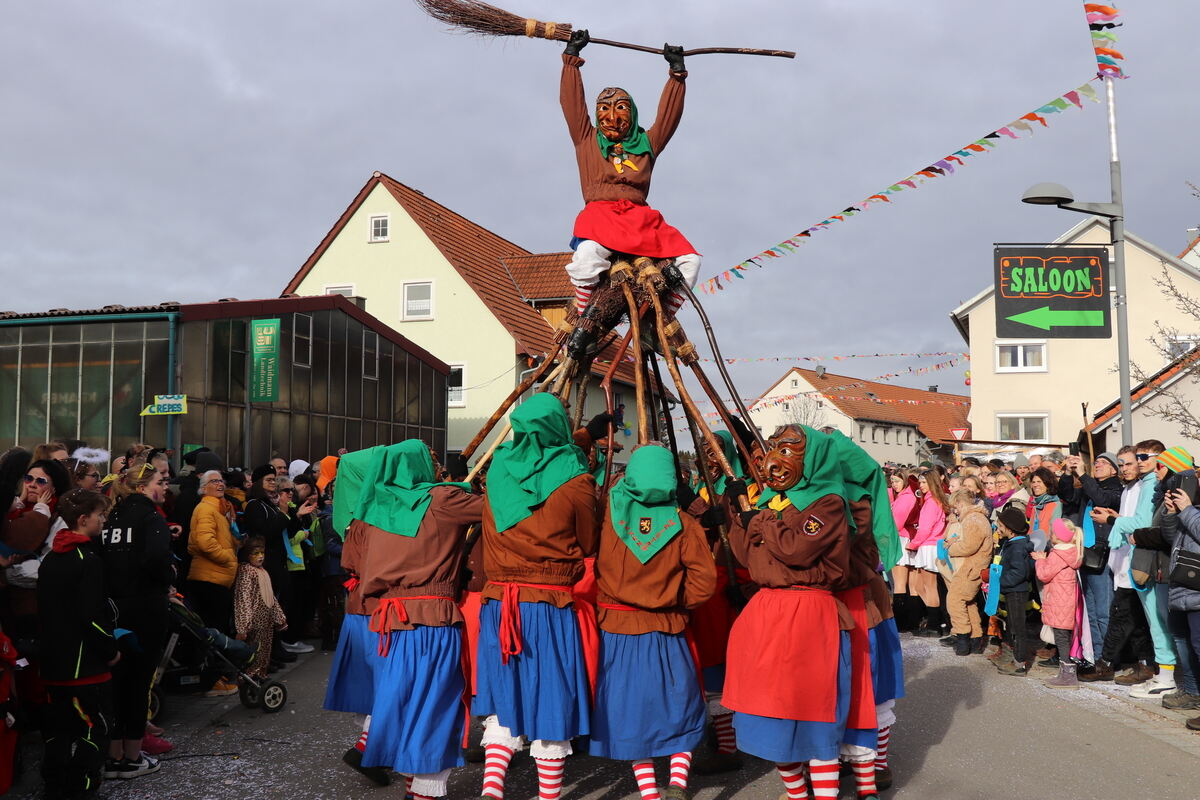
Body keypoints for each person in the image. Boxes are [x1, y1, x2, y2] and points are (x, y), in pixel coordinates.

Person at [722, 425, 865, 800]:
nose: (777, 461)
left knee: (815, 719)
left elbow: (795, 548)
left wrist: (761, 521)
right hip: (768, 612)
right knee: (774, 716)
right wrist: (739, 512)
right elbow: (745, 554)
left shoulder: (829, 502)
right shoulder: (775, 501)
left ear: (812, 457)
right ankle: (798, 794)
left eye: (789, 451)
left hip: (809, 616)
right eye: (775, 449)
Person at [474, 394, 599, 800]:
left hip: (499, 603)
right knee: (551, 697)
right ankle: (548, 796)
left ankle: (493, 789)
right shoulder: (577, 479)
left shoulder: (496, 473)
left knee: (504, 695)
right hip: (549, 604)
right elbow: (589, 540)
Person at [352, 440, 483, 800]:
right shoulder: (440, 499)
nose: (438, 470)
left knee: (407, 704)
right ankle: (424, 792)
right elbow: (498, 510)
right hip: (433, 620)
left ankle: (415, 788)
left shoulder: (376, 506)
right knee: (437, 705)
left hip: (391, 624)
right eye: (431, 462)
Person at [590, 444, 716, 800]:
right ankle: (678, 779)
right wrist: (675, 601)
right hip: (667, 629)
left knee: (628, 711)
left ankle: (649, 792)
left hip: (618, 631)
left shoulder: (608, 519)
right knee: (680, 704)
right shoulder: (685, 523)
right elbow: (704, 582)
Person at [558, 30, 701, 319]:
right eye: (604, 109)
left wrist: (676, 74)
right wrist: (571, 60)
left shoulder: (647, 143)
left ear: (632, 113)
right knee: (586, 257)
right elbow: (572, 105)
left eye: (621, 108)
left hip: (642, 221)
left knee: (690, 260)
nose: (612, 117)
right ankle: (585, 320)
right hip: (600, 217)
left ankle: (661, 318)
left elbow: (668, 117)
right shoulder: (587, 139)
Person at [37, 489, 118, 799]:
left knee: (57, 730)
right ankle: (81, 785)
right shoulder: (88, 560)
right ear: (83, 520)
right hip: (85, 666)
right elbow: (91, 616)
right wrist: (110, 650)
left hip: (53, 664)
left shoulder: (50, 560)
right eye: (100, 516)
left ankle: (54, 786)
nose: (104, 521)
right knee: (94, 727)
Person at [99, 462, 174, 780]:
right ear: (143, 487)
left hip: (112, 610)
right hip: (145, 610)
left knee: (116, 685)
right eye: (161, 481)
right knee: (137, 684)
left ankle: (113, 755)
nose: (165, 486)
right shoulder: (149, 517)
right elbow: (156, 559)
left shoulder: (111, 517)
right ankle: (131, 756)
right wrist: (170, 574)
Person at [242, 466, 315, 659]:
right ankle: (265, 653)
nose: (273, 483)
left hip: (278, 562)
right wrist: (283, 512)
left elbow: (286, 531)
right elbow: (267, 531)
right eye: (269, 479)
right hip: (265, 563)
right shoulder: (255, 505)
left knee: (277, 607)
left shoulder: (270, 504)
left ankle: (274, 648)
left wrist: (297, 515)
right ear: (258, 483)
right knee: (266, 609)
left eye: (274, 479)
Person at [1063, 452, 1123, 665]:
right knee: (1090, 612)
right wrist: (1068, 472)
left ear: (1114, 469)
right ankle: (1096, 655)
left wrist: (1084, 475)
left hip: (1102, 556)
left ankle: (1108, 659)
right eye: (1096, 461)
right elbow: (1068, 495)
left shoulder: (1116, 490)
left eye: (1103, 462)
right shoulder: (1090, 487)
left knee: (1104, 611)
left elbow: (1102, 499)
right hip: (1085, 553)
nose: (1097, 464)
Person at [185, 471, 239, 697]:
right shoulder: (206, 508)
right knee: (213, 631)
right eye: (213, 481)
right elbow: (204, 542)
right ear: (203, 487)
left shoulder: (221, 508)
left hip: (216, 578)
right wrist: (228, 557)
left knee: (215, 628)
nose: (219, 484)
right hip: (209, 578)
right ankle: (214, 680)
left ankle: (216, 677)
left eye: (220, 481)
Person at [1163, 483, 1200, 728]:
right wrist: (1171, 513)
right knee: (1183, 641)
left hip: (1196, 590)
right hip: (1181, 586)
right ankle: (1192, 691)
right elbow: (1170, 539)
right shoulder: (1192, 509)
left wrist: (1186, 510)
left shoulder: (1192, 511)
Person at [1035, 519, 1084, 688]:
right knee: (1065, 637)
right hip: (1066, 600)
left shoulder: (1058, 553)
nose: (1050, 534)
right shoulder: (1071, 552)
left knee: (1062, 638)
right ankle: (1066, 672)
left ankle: (1068, 676)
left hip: (1059, 600)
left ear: (1060, 536)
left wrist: (1040, 560)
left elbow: (1044, 574)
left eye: (1053, 532)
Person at [942, 489, 992, 655]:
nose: (954, 511)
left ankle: (963, 637)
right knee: (967, 601)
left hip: (971, 567)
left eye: (955, 507)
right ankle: (975, 638)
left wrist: (951, 547)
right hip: (972, 566)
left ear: (960, 504)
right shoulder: (974, 518)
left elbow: (968, 546)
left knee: (955, 600)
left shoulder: (973, 519)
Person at [232, 536, 287, 685]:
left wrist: (279, 618)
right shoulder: (246, 572)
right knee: (255, 651)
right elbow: (243, 600)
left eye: (262, 553)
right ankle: (251, 676)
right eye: (255, 553)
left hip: (267, 620)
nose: (260, 556)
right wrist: (243, 627)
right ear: (247, 555)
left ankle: (261, 674)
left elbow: (271, 597)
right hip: (255, 621)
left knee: (265, 651)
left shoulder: (262, 571)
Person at [906, 470, 949, 638]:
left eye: (924, 482)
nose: (921, 486)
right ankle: (936, 620)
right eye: (920, 483)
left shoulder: (932, 502)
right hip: (927, 545)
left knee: (929, 587)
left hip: (929, 545)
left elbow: (925, 529)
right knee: (920, 586)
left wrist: (913, 543)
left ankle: (935, 624)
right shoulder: (933, 500)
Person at [994, 507, 1035, 676]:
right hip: (1012, 591)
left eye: (1000, 526)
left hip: (1016, 592)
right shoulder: (1011, 544)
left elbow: (1019, 573)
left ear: (1009, 529)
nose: (998, 529)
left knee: (1018, 628)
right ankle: (1016, 659)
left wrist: (999, 583)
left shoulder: (1017, 547)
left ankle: (1020, 663)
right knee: (1013, 625)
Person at [1026, 467, 1062, 552]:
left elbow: (1054, 533)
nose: (1035, 485)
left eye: (1039, 482)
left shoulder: (1056, 504)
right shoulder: (1035, 504)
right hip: (1032, 549)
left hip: (1047, 550)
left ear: (1048, 484)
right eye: (1033, 482)